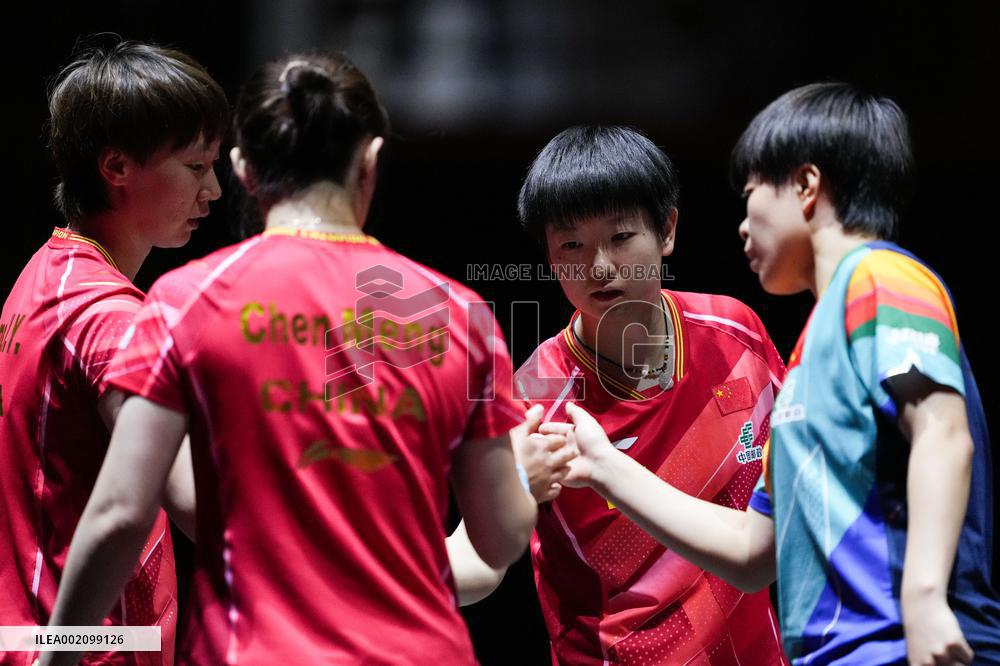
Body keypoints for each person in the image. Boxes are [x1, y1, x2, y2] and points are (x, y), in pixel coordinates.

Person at [41, 52, 539, 666]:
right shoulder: (464, 315)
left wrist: (55, 656)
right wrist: (523, 475)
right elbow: (499, 538)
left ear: (245, 170)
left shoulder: (181, 303)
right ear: (370, 161)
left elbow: (120, 511)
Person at [552, 83, 1000, 665]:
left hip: (912, 645)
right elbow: (753, 549)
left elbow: (943, 433)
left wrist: (924, 599)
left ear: (807, 187)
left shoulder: (880, 279)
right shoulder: (809, 352)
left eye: (751, 194)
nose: (741, 225)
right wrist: (604, 467)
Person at [468, 125, 788, 664]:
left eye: (620, 238)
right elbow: (481, 559)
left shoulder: (737, 333)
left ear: (666, 232)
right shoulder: (534, 398)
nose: (599, 266)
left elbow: (789, 518)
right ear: (549, 257)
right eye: (572, 244)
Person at [0, 40, 227, 666]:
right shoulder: (110, 319)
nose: (213, 191)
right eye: (194, 167)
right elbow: (195, 504)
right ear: (117, 167)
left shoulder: (44, 273)